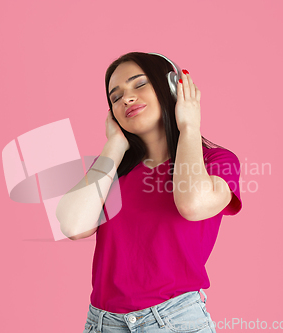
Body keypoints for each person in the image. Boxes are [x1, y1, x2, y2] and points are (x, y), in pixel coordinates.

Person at [57, 52, 243, 333]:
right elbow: (73, 226)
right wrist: (115, 146)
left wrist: (189, 126)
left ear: (172, 87)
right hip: (102, 323)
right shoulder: (111, 169)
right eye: (116, 97)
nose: (126, 99)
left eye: (139, 85)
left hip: (174, 321)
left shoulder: (216, 162)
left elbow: (191, 204)